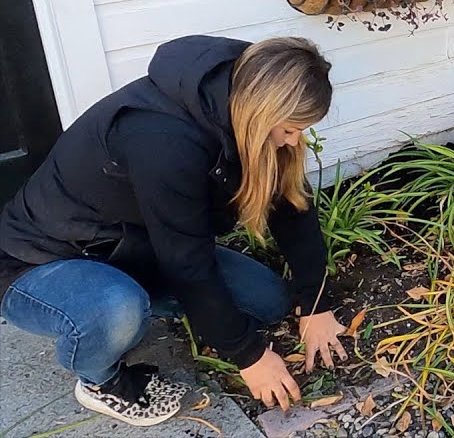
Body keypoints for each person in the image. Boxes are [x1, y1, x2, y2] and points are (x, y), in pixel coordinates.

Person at [0, 36, 348, 427]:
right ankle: (99, 379)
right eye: (290, 129)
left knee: (266, 302)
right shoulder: (163, 140)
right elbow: (188, 264)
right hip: (43, 259)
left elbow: (292, 206)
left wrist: (315, 301)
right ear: (262, 112)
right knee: (116, 309)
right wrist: (250, 357)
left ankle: (136, 300)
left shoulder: (248, 88)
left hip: (136, 246)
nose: (294, 140)